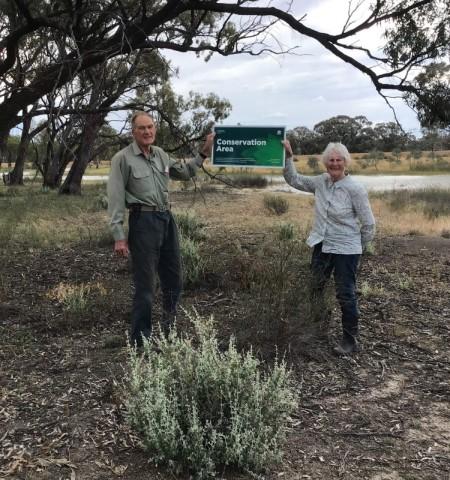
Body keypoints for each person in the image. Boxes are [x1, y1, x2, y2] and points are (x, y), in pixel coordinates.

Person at [107, 111, 214, 347]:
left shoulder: (161, 155)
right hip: (142, 222)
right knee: (146, 285)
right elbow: (114, 198)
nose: (147, 132)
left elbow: (185, 173)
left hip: (166, 219)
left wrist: (204, 151)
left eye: (151, 127)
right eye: (142, 128)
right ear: (133, 132)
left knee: (174, 278)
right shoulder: (122, 159)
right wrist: (119, 236)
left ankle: (169, 331)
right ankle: (140, 341)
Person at [282, 140, 376, 354]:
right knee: (315, 288)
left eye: (338, 160)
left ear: (345, 162)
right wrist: (288, 156)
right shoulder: (320, 182)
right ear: (325, 162)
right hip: (322, 245)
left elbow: (369, 224)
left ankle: (350, 340)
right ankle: (317, 329)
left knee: (346, 294)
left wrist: (356, 247)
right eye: (331, 160)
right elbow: (293, 179)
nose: (334, 164)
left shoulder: (355, 188)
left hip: (346, 251)